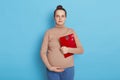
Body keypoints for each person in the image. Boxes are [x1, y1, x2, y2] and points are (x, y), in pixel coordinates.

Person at [40, 5, 84, 80]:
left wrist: (68, 50)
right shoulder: (48, 32)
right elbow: (42, 52)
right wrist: (49, 67)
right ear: (54, 18)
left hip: (68, 70)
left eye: (62, 16)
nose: (60, 18)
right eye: (57, 16)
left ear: (65, 18)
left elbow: (81, 50)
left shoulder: (71, 31)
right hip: (52, 71)